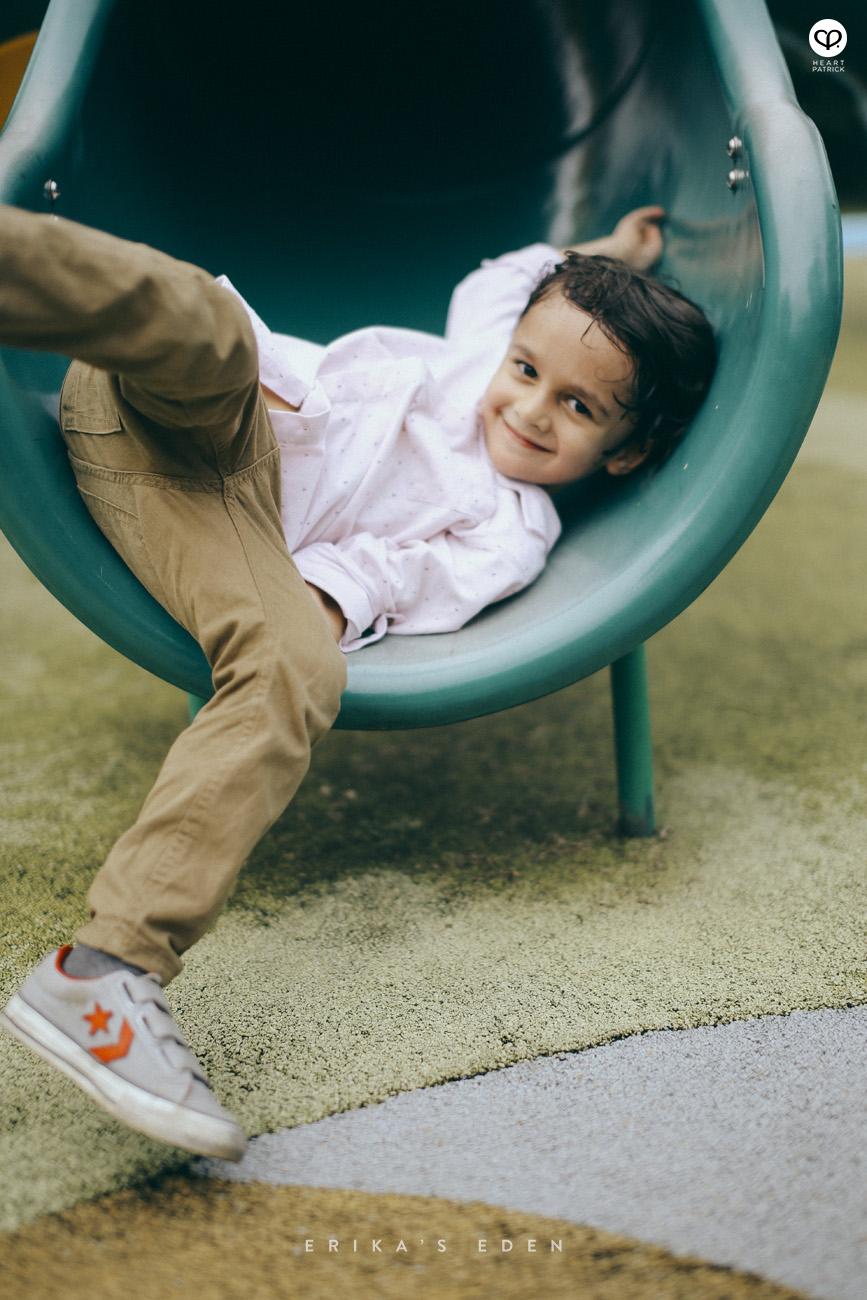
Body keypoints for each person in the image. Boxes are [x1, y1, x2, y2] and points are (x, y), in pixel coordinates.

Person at [0, 203, 716, 1161]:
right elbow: (511, 279)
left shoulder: (512, 531)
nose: (531, 407)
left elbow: (389, 577)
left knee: (300, 667)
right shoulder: (484, 353)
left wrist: (304, 617)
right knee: (206, 319)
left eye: (579, 408)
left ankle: (103, 973)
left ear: (621, 453)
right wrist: (615, 255)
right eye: (529, 371)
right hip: (195, 401)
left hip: (227, 515)